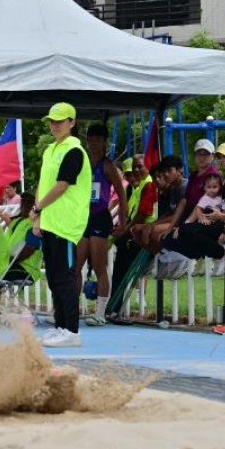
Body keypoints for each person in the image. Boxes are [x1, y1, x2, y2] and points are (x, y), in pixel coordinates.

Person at [32, 102, 91, 348]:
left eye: (60, 120)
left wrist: (38, 208)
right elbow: (43, 183)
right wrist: (37, 214)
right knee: (55, 277)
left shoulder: (74, 150)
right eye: (52, 121)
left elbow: (62, 185)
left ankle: (72, 330)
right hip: (50, 221)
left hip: (66, 223)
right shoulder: (50, 150)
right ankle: (60, 326)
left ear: (72, 122)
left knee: (66, 277)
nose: (55, 125)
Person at [75, 123, 127, 327]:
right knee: (76, 266)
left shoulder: (108, 166)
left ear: (105, 141)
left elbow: (122, 195)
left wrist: (122, 222)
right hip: (81, 219)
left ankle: (100, 312)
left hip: (99, 218)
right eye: (90, 138)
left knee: (99, 266)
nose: (93, 142)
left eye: (98, 139)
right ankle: (72, 309)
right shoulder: (81, 162)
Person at [110, 154, 157, 309]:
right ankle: (112, 306)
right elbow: (129, 211)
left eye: (139, 167)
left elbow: (143, 213)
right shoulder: (136, 187)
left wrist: (126, 229)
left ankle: (114, 307)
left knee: (122, 269)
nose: (136, 171)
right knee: (119, 269)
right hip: (135, 233)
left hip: (144, 236)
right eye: (133, 168)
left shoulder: (149, 185)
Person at [0, 192, 42, 283]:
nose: (25, 204)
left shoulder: (34, 225)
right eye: (23, 201)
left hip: (25, 268)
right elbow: (9, 223)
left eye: (29, 202)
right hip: (10, 264)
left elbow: (30, 248)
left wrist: (11, 261)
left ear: (34, 206)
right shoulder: (18, 221)